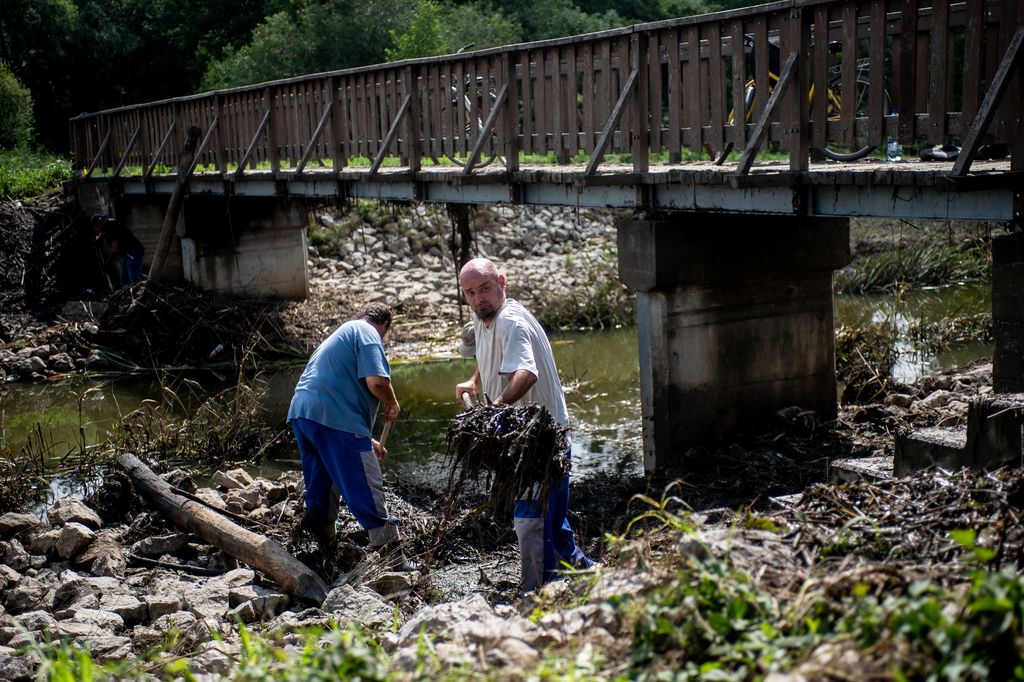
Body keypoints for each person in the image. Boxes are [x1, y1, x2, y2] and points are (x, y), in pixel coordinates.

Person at [455, 258, 592, 593]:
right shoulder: (483, 316)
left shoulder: (511, 321)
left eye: (484, 289)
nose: (478, 299)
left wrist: (495, 408)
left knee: (529, 518)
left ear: (502, 282)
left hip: (542, 437)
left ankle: (539, 594)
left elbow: (527, 373)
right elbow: (484, 353)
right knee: (551, 516)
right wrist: (475, 382)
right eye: (470, 293)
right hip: (524, 433)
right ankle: (582, 572)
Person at [288, 302, 408, 563]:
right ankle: (394, 562)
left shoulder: (340, 334)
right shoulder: (368, 333)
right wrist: (392, 402)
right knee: (365, 483)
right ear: (385, 325)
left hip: (303, 414)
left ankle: (325, 552)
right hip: (333, 418)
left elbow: (336, 387)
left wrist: (366, 440)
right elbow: (376, 382)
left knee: (321, 482)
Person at [92, 214, 145, 287]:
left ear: (103, 221)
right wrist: (98, 239)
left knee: (134, 279)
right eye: (96, 227)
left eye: (98, 226)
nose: (97, 229)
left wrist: (107, 264)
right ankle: (128, 296)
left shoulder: (112, 227)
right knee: (124, 281)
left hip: (133, 252)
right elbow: (104, 233)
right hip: (124, 254)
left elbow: (115, 250)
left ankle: (138, 295)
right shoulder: (106, 226)